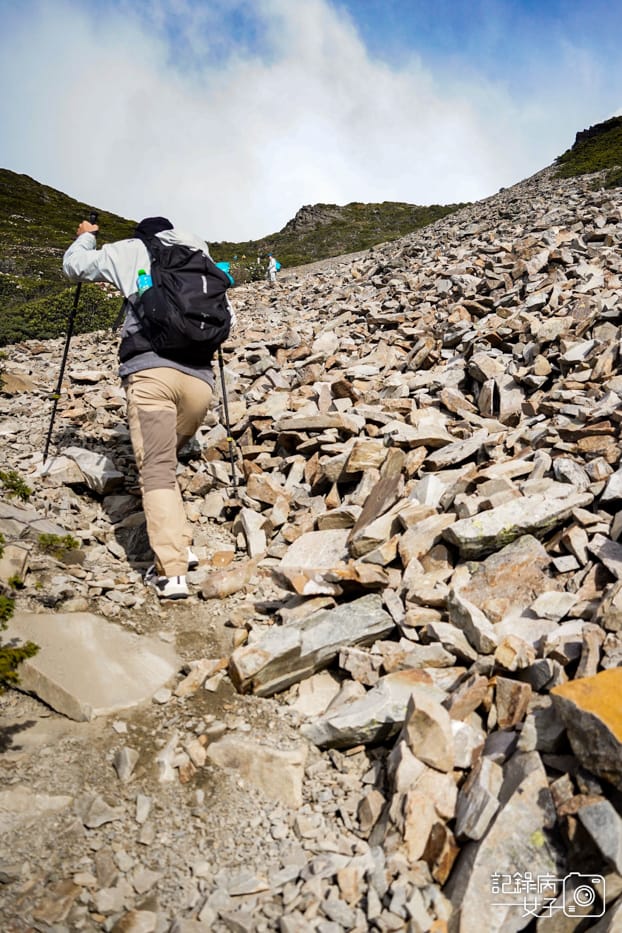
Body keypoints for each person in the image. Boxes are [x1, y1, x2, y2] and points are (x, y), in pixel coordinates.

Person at [63, 216, 230, 600]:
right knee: (165, 464)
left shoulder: (131, 251)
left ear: (143, 236)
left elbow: (73, 267)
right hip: (200, 383)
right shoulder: (200, 257)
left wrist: (86, 238)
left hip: (151, 374)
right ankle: (180, 544)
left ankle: (170, 573)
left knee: (155, 470)